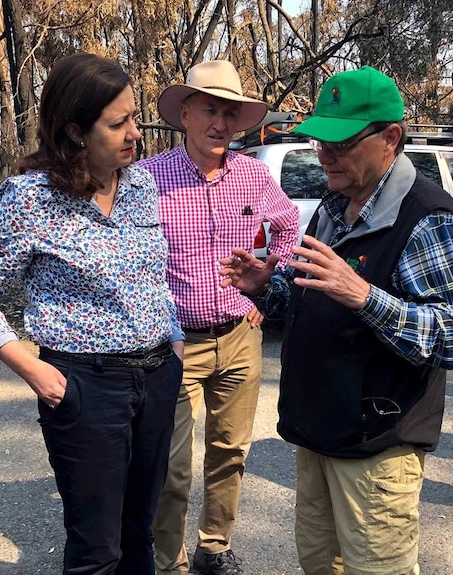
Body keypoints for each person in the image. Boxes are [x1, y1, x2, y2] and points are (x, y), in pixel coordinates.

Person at [219, 66, 453, 575]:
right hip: (319, 430)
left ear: (390, 138)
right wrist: (266, 289)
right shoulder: (334, 206)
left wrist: (365, 296)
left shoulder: (426, 216)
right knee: (319, 564)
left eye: (339, 143)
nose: (324, 155)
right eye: (319, 141)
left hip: (377, 445)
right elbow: (311, 302)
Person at [0, 52, 184, 575]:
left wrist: (173, 340)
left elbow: (152, 275)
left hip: (157, 378)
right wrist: (32, 369)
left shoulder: (141, 186)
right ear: (75, 131)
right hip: (85, 386)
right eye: (118, 123)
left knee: (139, 532)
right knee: (97, 547)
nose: (134, 135)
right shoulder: (31, 199)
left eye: (135, 119)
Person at [137, 60, 300, 575]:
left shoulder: (253, 175)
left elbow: (289, 222)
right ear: (185, 113)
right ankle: (169, 561)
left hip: (238, 337)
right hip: (173, 344)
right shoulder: (147, 179)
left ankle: (213, 548)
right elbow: (127, 255)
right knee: (172, 464)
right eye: (210, 110)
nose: (222, 124)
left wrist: (267, 289)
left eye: (231, 114)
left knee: (230, 452)